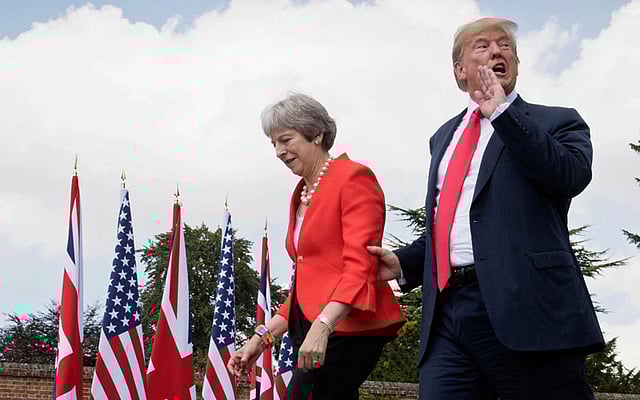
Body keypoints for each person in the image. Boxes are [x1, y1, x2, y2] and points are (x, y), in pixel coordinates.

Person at [367, 17, 604, 399]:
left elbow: (568, 176)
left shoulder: (557, 121)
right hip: (448, 316)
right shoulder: (444, 137)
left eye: (504, 45)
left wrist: (503, 115)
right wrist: (405, 262)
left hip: (526, 309)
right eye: (482, 46)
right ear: (460, 71)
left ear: (515, 64)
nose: (496, 50)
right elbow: (456, 223)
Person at [227, 93, 405, 399]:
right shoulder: (301, 193)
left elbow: (359, 267)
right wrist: (261, 338)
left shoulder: (353, 178)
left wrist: (323, 325)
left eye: (286, 140)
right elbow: (309, 282)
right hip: (307, 326)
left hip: (346, 327)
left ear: (316, 135)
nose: (280, 151)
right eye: (274, 144)